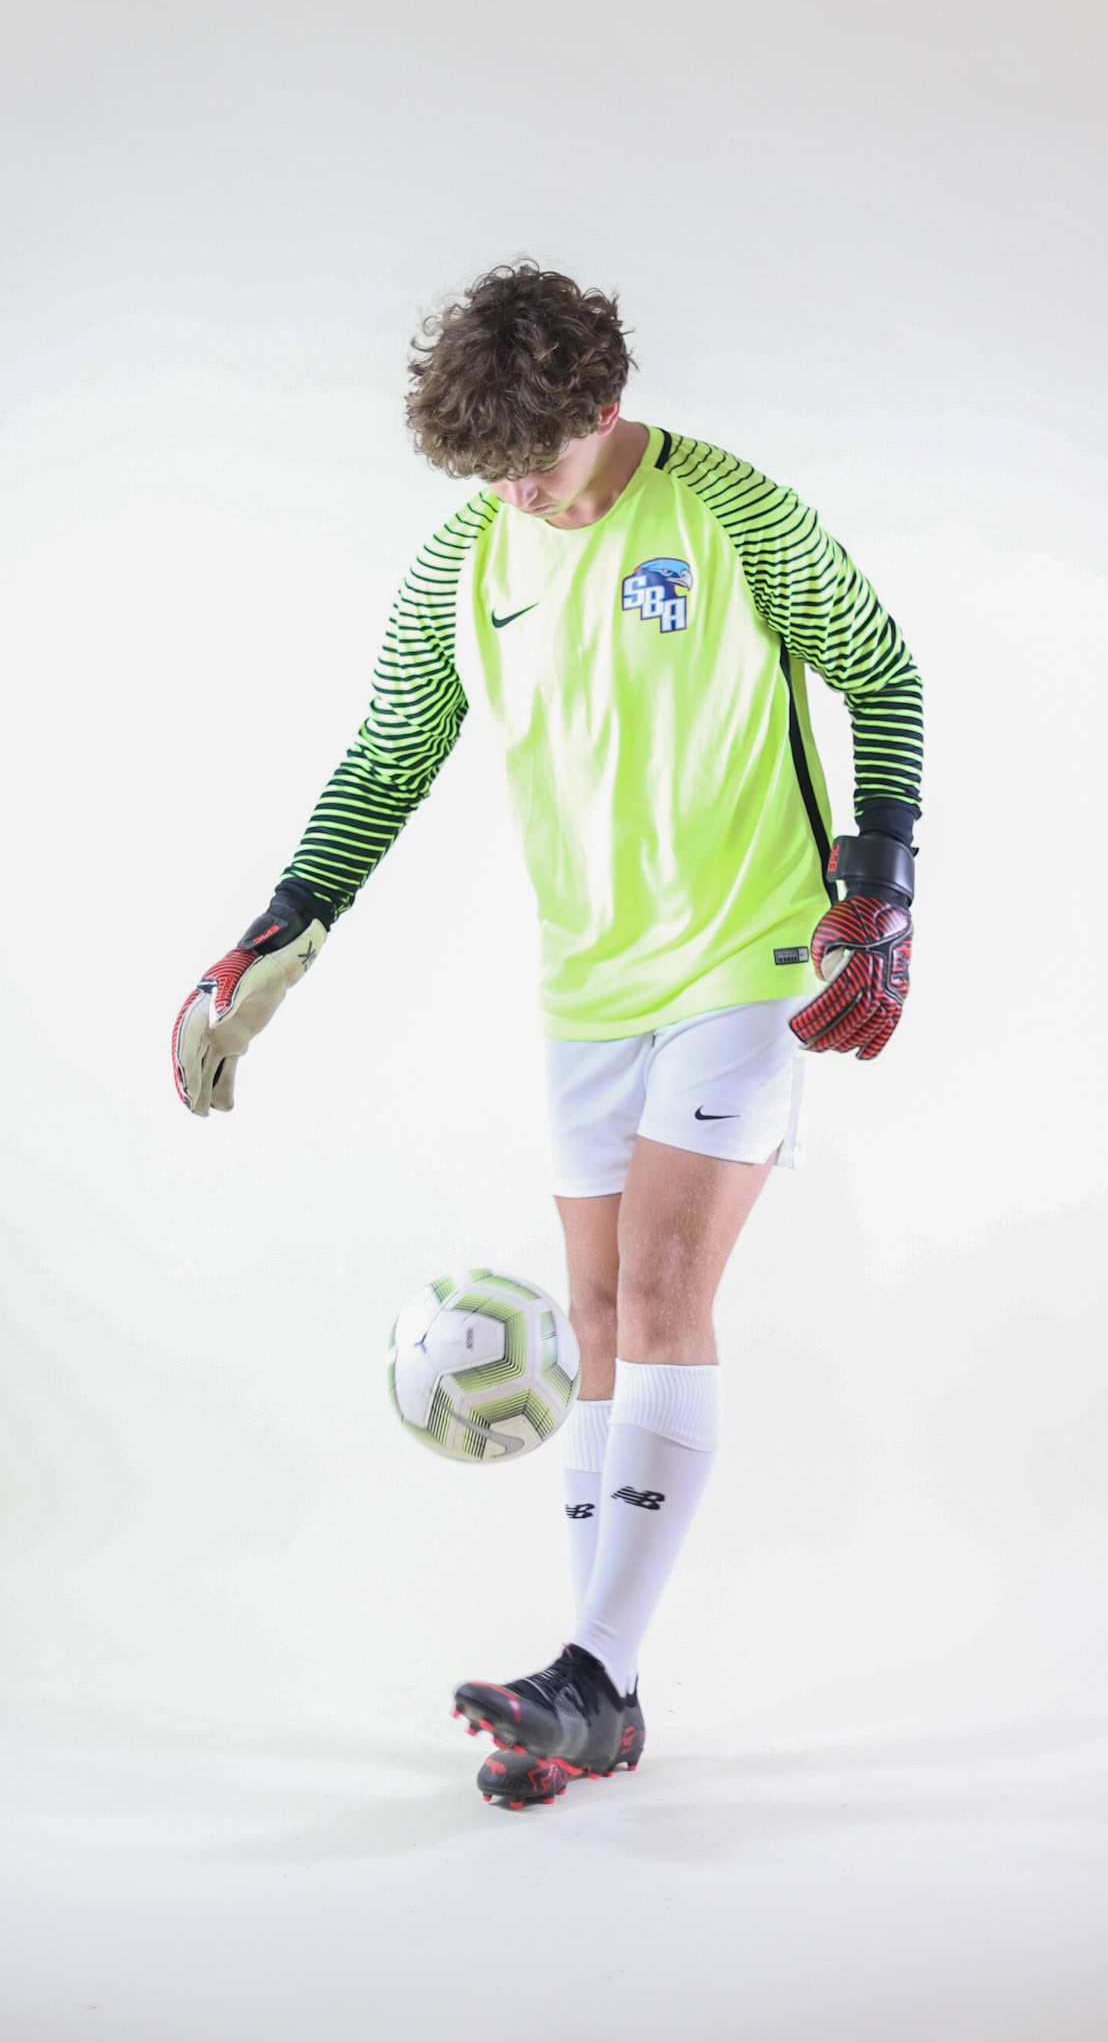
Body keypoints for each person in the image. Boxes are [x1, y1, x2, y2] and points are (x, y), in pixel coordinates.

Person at [172, 262, 923, 1811]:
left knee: (657, 1287)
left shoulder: (731, 513)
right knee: (592, 1316)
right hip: (588, 979)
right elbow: (390, 753)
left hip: (751, 951)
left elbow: (882, 672)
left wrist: (882, 881)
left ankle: (583, 1678)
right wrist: (278, 936)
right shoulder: (463, 555)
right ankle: (603, 1694)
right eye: (493, 468)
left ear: (603, 404)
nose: (525, 492)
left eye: (543, 458)